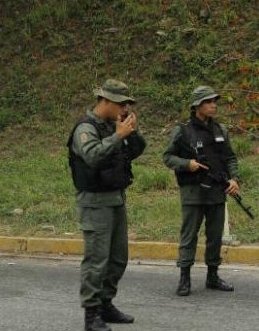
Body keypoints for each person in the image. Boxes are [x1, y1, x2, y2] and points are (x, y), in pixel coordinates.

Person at [67, 79, 146, 331]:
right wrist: (118, 135)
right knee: (96, 261)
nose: (124, 108)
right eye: (121, 104)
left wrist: (130, 133)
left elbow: (135, 151)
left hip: (116, 198)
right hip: (95, 202)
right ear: (105, 101)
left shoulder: (114, 126)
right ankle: (91, 315)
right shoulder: (85, 128)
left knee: (118, 258)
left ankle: (105, 303)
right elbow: (91, 155)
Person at [163, 85, 240, 297]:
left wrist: (234, 178)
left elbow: (230, 158)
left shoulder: (220, 130)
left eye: (214, 101)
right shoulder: (183, 131)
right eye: (208, 102)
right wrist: (188, 164)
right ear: (197, 106)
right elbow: (168, 157)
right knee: (189, 236)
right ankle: (184, 277)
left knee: (215, 236)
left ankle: (212, 276)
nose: (213, 105)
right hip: (193, 192)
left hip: (216, 191)